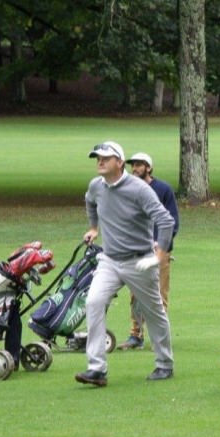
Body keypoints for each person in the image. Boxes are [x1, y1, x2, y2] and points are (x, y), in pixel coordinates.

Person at [76, 141, 176, 387]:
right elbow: (90, 201)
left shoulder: (139, 189)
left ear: (119, 162)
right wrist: (93, 227)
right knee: (93, 302)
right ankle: (96, 369)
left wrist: (159, 254)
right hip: (109, 260)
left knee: (154, 312)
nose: (100, 161)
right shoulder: (96, 186)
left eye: (106, 158)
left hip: (139, 261)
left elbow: (165, 220)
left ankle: (165, 364)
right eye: (97, 157)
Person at [117, 152, 180, 350]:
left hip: (159, 252)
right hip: (136, 252)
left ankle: (159, 338)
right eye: (133, 165)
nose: (134, 168)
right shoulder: (127, 190)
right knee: (135, 295)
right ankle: (136, 335)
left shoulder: (163, 189)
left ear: (149, 168)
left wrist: (160, 243)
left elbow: (172, 222)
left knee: (159, 296)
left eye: (139, 165)